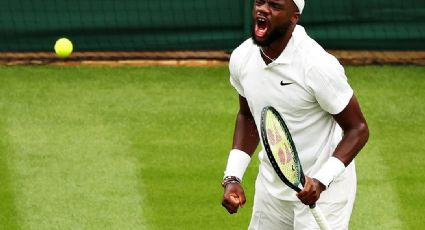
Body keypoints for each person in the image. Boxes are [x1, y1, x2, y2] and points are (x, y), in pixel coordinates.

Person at [220, 0, 370, 229]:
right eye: (259, 1)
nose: (262, 9)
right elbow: (249, 116)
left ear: (294, 17)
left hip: (324, 194)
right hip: (271, 189)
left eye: (275, 5)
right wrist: (233, 177)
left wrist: (321, 181)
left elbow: (358, 129)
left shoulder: (317, 66)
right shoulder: (242, 57)